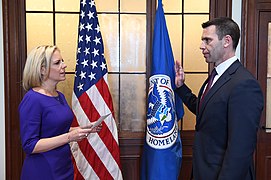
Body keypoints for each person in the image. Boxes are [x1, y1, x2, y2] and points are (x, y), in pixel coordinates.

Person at [175, 17, 264, 180]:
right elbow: (205, 110)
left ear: (226, 41)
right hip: (203, 172)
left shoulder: (244, 84)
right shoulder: (216, 76)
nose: (201, 46)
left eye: (207, 40)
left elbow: (240, 149)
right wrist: (181, 87)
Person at [19, 45, 102, 180]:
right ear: (42, 69)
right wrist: (70, 137)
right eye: (58, 63)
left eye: (62, 61)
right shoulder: (32, 99)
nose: (64, 65)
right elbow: (30, 145)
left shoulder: (60, 96)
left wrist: (82, 129)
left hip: (63, 167)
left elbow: (54, 129)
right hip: (42, 171)